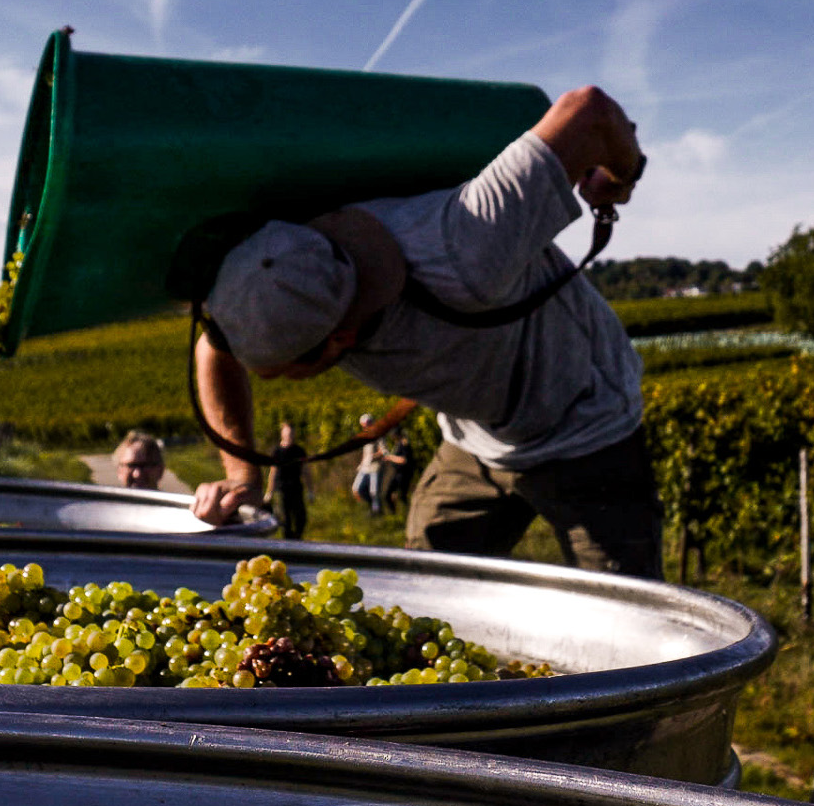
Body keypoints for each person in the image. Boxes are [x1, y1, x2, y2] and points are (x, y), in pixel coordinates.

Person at [189, 85, 659, 578]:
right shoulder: (273, 282)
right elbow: (214, 348)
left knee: (625, 607)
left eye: (284, 373)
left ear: (338, 342)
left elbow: (589, 111)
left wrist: (619, 180)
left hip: (587, 428)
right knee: (424, 592)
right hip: (477, 437)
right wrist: (243, 474)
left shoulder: (465, 245)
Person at [266, 421, 308, 540]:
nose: (290, 436)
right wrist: (270, 492)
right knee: (285, 519)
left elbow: (306, 471)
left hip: (296, 488)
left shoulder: (299, 451)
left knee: (301, 518)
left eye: (292, 434)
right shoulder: (277, 452)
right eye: (288, 433)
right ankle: (288, 543)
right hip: (282, 489)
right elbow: (272, 473)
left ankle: (297, 539)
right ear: (282, 434)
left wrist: (310, 490)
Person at [349, 415, 388, 516]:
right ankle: (372, 505)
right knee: (357, 489)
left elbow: (383, 451)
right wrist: (361, 463)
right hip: (365, 467)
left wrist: (374, 456)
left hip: (375, 467)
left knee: (374, 491)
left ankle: (376, 511)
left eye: (366, 425)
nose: (365, 428)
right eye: (363, 426)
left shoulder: (379, 435)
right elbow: (365, 452)